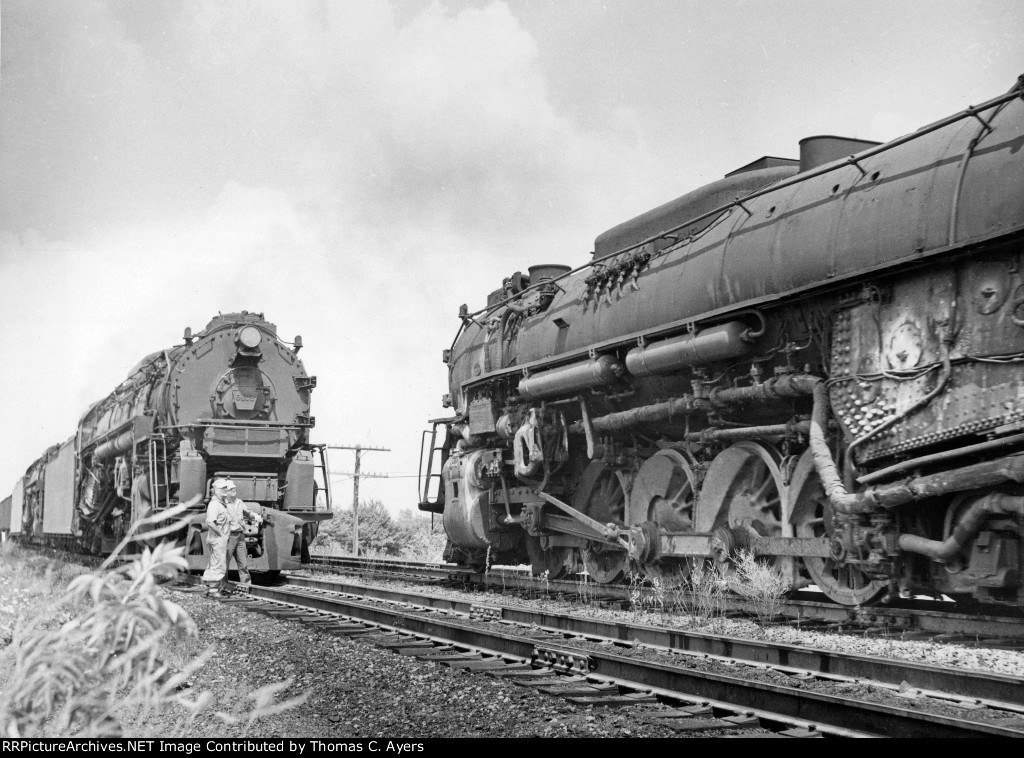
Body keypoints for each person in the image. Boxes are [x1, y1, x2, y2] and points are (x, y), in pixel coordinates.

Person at [207, 478, 264, 596]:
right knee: (224, 563)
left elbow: (247, 512)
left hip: (240, 536)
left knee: (243, 563)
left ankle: (246, 586)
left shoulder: (239, 502)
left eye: (234, 488)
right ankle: (222, 586)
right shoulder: (222, 504)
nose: (233, 490)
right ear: (226, 491)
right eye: (230, 489)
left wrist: (256, 516)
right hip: (228, 537)